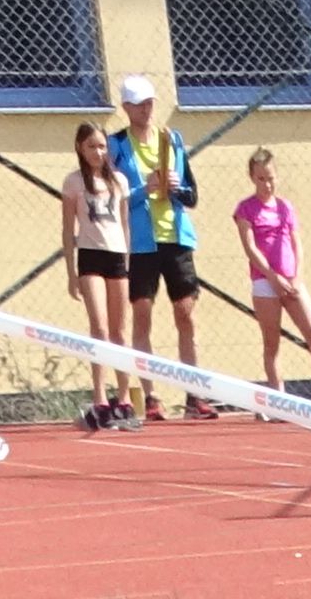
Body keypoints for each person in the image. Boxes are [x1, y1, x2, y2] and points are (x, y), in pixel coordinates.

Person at [108, 79, 213, 413]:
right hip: (140, 243)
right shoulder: (116, 145)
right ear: (126, 107)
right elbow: (112, 199)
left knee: (186, 313)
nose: (146, 109)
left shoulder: (172, 140)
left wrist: (176, 188)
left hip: (175, 237)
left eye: (150, 102)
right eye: (139, 103)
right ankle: (151, 395)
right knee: (142, 315)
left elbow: (192, 196)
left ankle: (194, 393)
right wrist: (146, 189)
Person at [229, 148, 311, 399]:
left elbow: (297, 244)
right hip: (265, 282)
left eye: (270, 178)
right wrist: (272, 277)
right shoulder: (245, 209)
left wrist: (296, 278)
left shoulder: (285, 207)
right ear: (252, 178)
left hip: (291, 281)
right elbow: (250, 248)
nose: (267, 184)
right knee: (272, 342)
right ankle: (278, 399)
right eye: (261, 179)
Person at [60, 122, 137, 429]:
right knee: (100, 328)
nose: (97, 152)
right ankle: (100, 398)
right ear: (80, 148)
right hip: (90, 256)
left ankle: (125, 398)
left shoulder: (119, 181)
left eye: (102, 146)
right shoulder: (73, 182)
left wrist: (128, 261)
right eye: (91, 146)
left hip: (116, 256)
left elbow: (125, 224)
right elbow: (68, 230)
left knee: (120, 331)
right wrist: (71, 273)